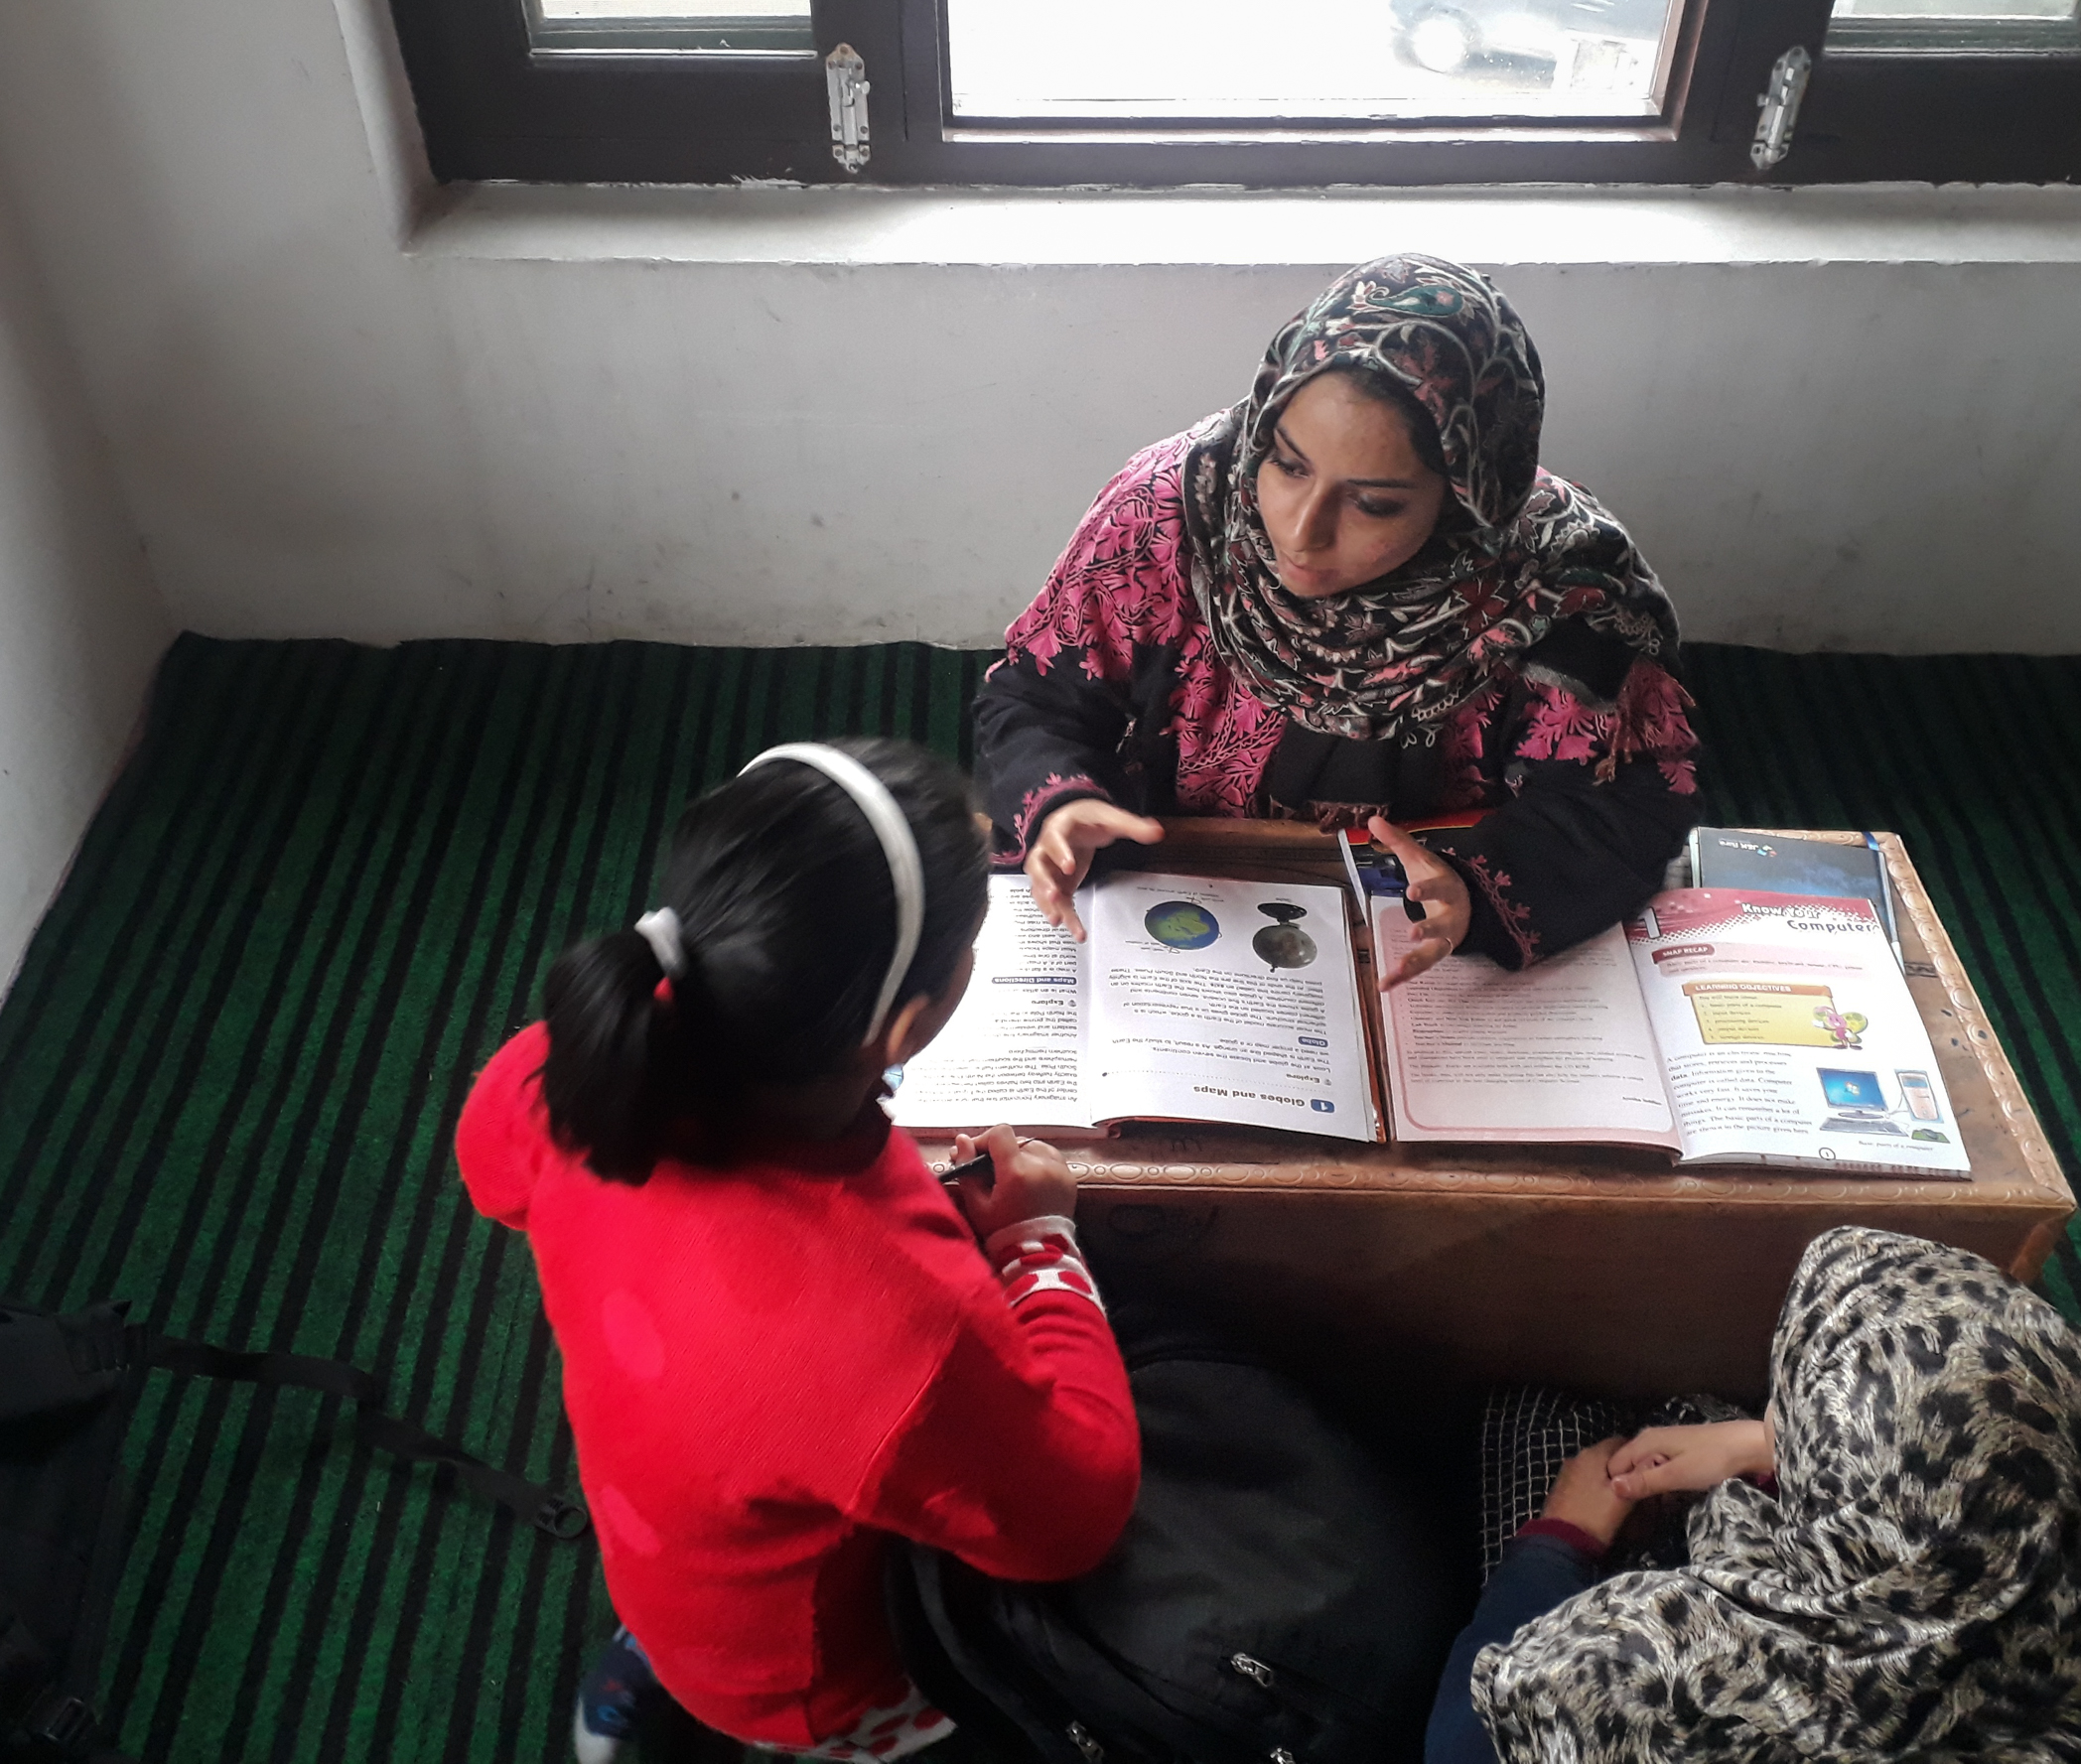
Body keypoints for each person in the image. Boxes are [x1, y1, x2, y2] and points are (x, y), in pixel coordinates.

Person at [454, 739, 1139, 1762]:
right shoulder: (902, 1322)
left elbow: (493, 1176)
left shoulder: (554, 1067)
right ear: (909, 1021)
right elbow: (1075, 1513)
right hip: (819, 1681)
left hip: (665, 1559)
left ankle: (655, 1678)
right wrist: (1040, 1239)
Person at [975, 253, 1700, 989]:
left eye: (1374, 504)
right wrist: (1062, 803)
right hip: (1179, 905)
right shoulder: (1169, 516)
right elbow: (1034, 695)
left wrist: (1475, 895)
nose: (1301, 531)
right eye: (1287, 465)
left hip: (1412, 953)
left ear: (1462, 497)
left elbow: (1630, 803)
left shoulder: (1562, 594)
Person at [1428, 1227, 2081, 1764]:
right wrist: (1770, 1444)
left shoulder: (1646, 1676)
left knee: (1528, 1418)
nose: (1781, 1406)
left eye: (1796, 1403)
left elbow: (1460, 1742)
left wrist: (1558, 1540)